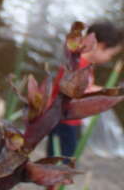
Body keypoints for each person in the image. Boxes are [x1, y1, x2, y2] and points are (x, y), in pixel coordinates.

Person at [46, 21, 123, 159]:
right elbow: (71, 92)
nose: (109, 59)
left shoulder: (84, 63)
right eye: (110, 55)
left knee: (67, 156)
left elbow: (84, 88)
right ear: (100, 46)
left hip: (70, 120)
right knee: (61, 160)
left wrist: (104, 91)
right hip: (64, 121)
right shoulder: (77, 64)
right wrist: (101, 95)